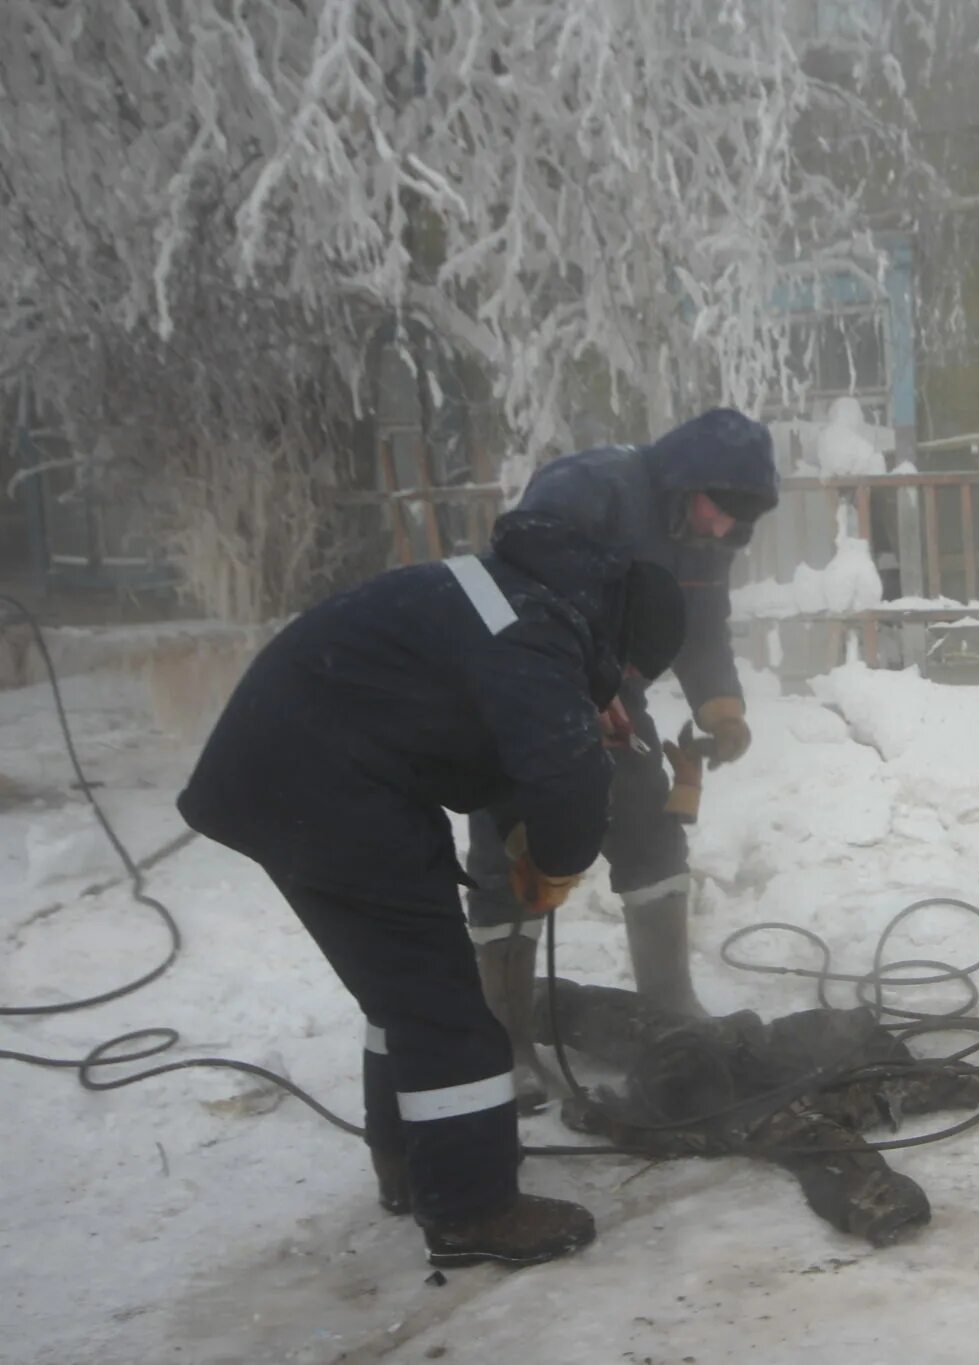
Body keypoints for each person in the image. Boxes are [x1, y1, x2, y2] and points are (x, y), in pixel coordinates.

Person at [177, 512, 687, 1268]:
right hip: (326, 783)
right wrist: (555, 862)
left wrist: (578, 711)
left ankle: (414, 1166)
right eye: (631, 674)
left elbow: (493, 727)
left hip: (307, 769)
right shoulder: (535, 631)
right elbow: (563, 769)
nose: (624, 692)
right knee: (445, 1009)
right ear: (620, 635)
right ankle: (474, 1210)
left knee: (405, 990)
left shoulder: (515, 596)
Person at [465, 408, 778, 1107]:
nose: (723, 527)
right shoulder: (588, 488)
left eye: (738, 520)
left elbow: (701, 624)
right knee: (509, 851)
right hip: (523, 688)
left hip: (614, 695)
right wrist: (575, 684)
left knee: (649, 826)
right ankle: (506, 1042)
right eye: (719, 508)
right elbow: (521, 593)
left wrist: (719, 704)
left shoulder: (705, 533)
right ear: (687, 478)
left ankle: (669, 1003)